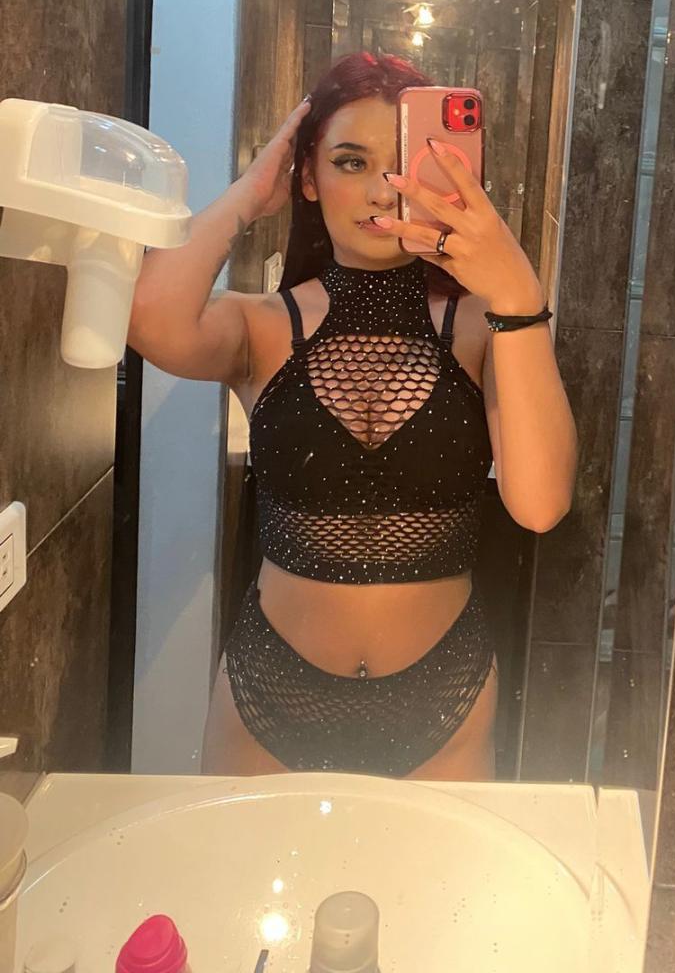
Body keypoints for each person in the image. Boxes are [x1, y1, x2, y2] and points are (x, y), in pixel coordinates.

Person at [127, 52, 576, 778]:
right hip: (271, 692)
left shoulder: (487, 328)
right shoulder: (262, 327)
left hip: (444, 698)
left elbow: (540, 504)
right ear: (308, 177)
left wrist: (519, 295)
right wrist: (249, 194)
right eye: (350, 162)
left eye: (403, 167)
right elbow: (150, 319)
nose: (379, 191)